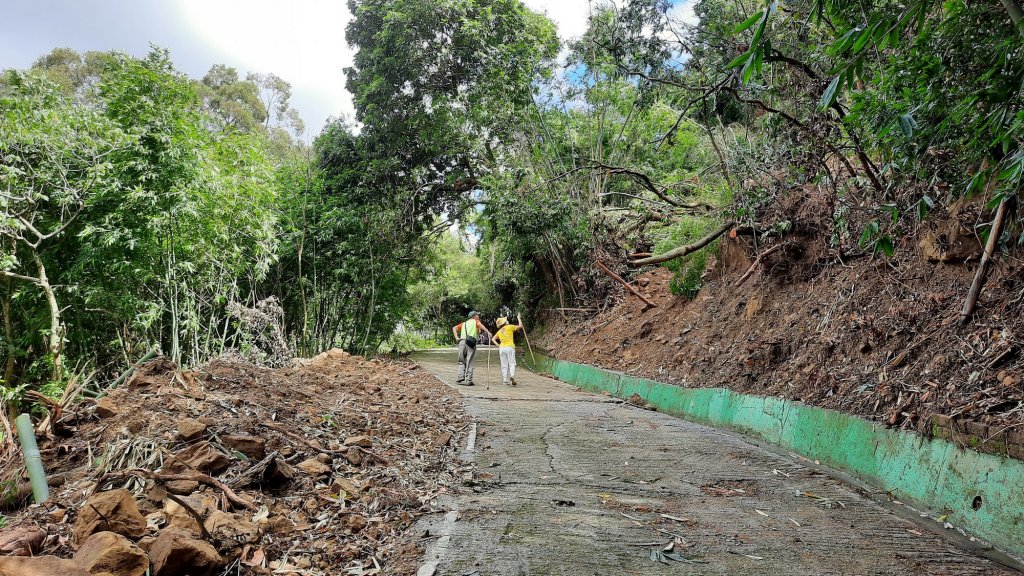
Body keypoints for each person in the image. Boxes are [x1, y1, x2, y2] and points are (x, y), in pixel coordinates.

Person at [452, 311, 492, 386]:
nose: (478, 316)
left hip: (462, 342)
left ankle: (460, 376)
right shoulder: (475, 321)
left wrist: (457, 337)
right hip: (470, 342)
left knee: (461, 360)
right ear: (474, 316)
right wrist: (488, 332)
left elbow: (454, 328)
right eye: (477, 315)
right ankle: (469, 380)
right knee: (470, 360)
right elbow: (480, 325)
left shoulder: (464, 323)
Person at [494, 314, 524, 386]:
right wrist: (518, 318)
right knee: (512, 363)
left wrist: (499, 345)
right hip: (510, 347)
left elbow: (493, 339)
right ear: (505, 322)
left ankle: (505, 380)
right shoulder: (510, 327)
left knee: (504, 365)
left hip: (502, 348)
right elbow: (520, 326)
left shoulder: (499, 331)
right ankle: (512, 376)